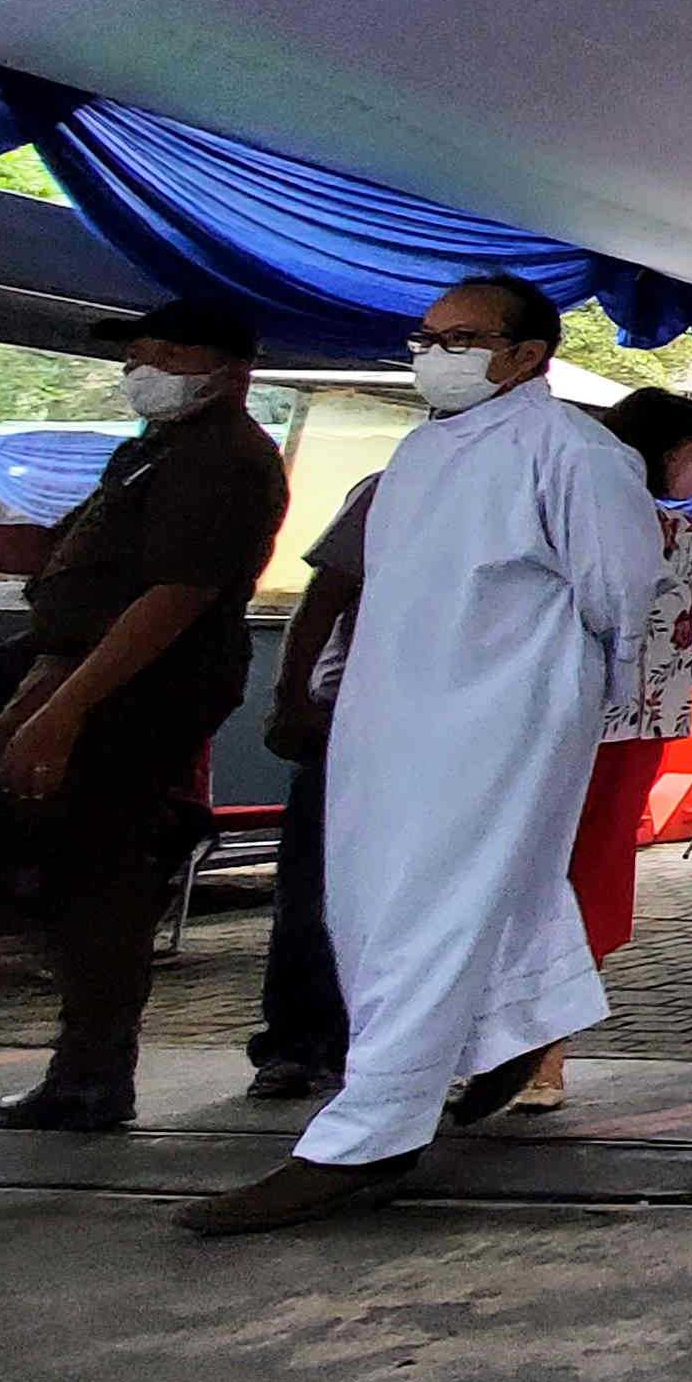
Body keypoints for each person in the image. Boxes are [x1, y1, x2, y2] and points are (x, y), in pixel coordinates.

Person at [182, 274, 662, 1236]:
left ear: (527, 356)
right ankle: (519, 1024)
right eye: (428, 338)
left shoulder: (573, 450)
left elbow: (620, 591)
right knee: (391, 895)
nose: (435, 355)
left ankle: (368, 1136)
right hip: (390, 708)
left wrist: (572, 702)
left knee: (425, 908)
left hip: (500, 711)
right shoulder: (418, 452)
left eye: (462, 338)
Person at [0, 297, 287, 1136]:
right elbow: (50, 552)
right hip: (83, 680)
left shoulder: (221, 460)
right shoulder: (155, 453)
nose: (142, 372)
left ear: (230, 369)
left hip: (115, 689)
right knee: (96, 881)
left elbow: (177, 594)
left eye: (164, 356)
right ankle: (91, 1076)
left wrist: (61, 710)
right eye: (135, 355)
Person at [496, 391, 692, 1113]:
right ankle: (540, 1054)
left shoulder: (552, 518)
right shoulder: (669, 535)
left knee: (529, 875)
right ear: (662, 455)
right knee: (584, 880)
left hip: (535, 726)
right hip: (618, 732)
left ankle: (523, 1048)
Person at [245, 471, 377, 1100]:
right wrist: (291, 697)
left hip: (449, 728)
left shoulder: (539, 486)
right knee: (315, 890)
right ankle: (301, 1043)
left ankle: (380, 1044)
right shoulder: (389, 489)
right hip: (352, 720)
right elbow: (324, 595)